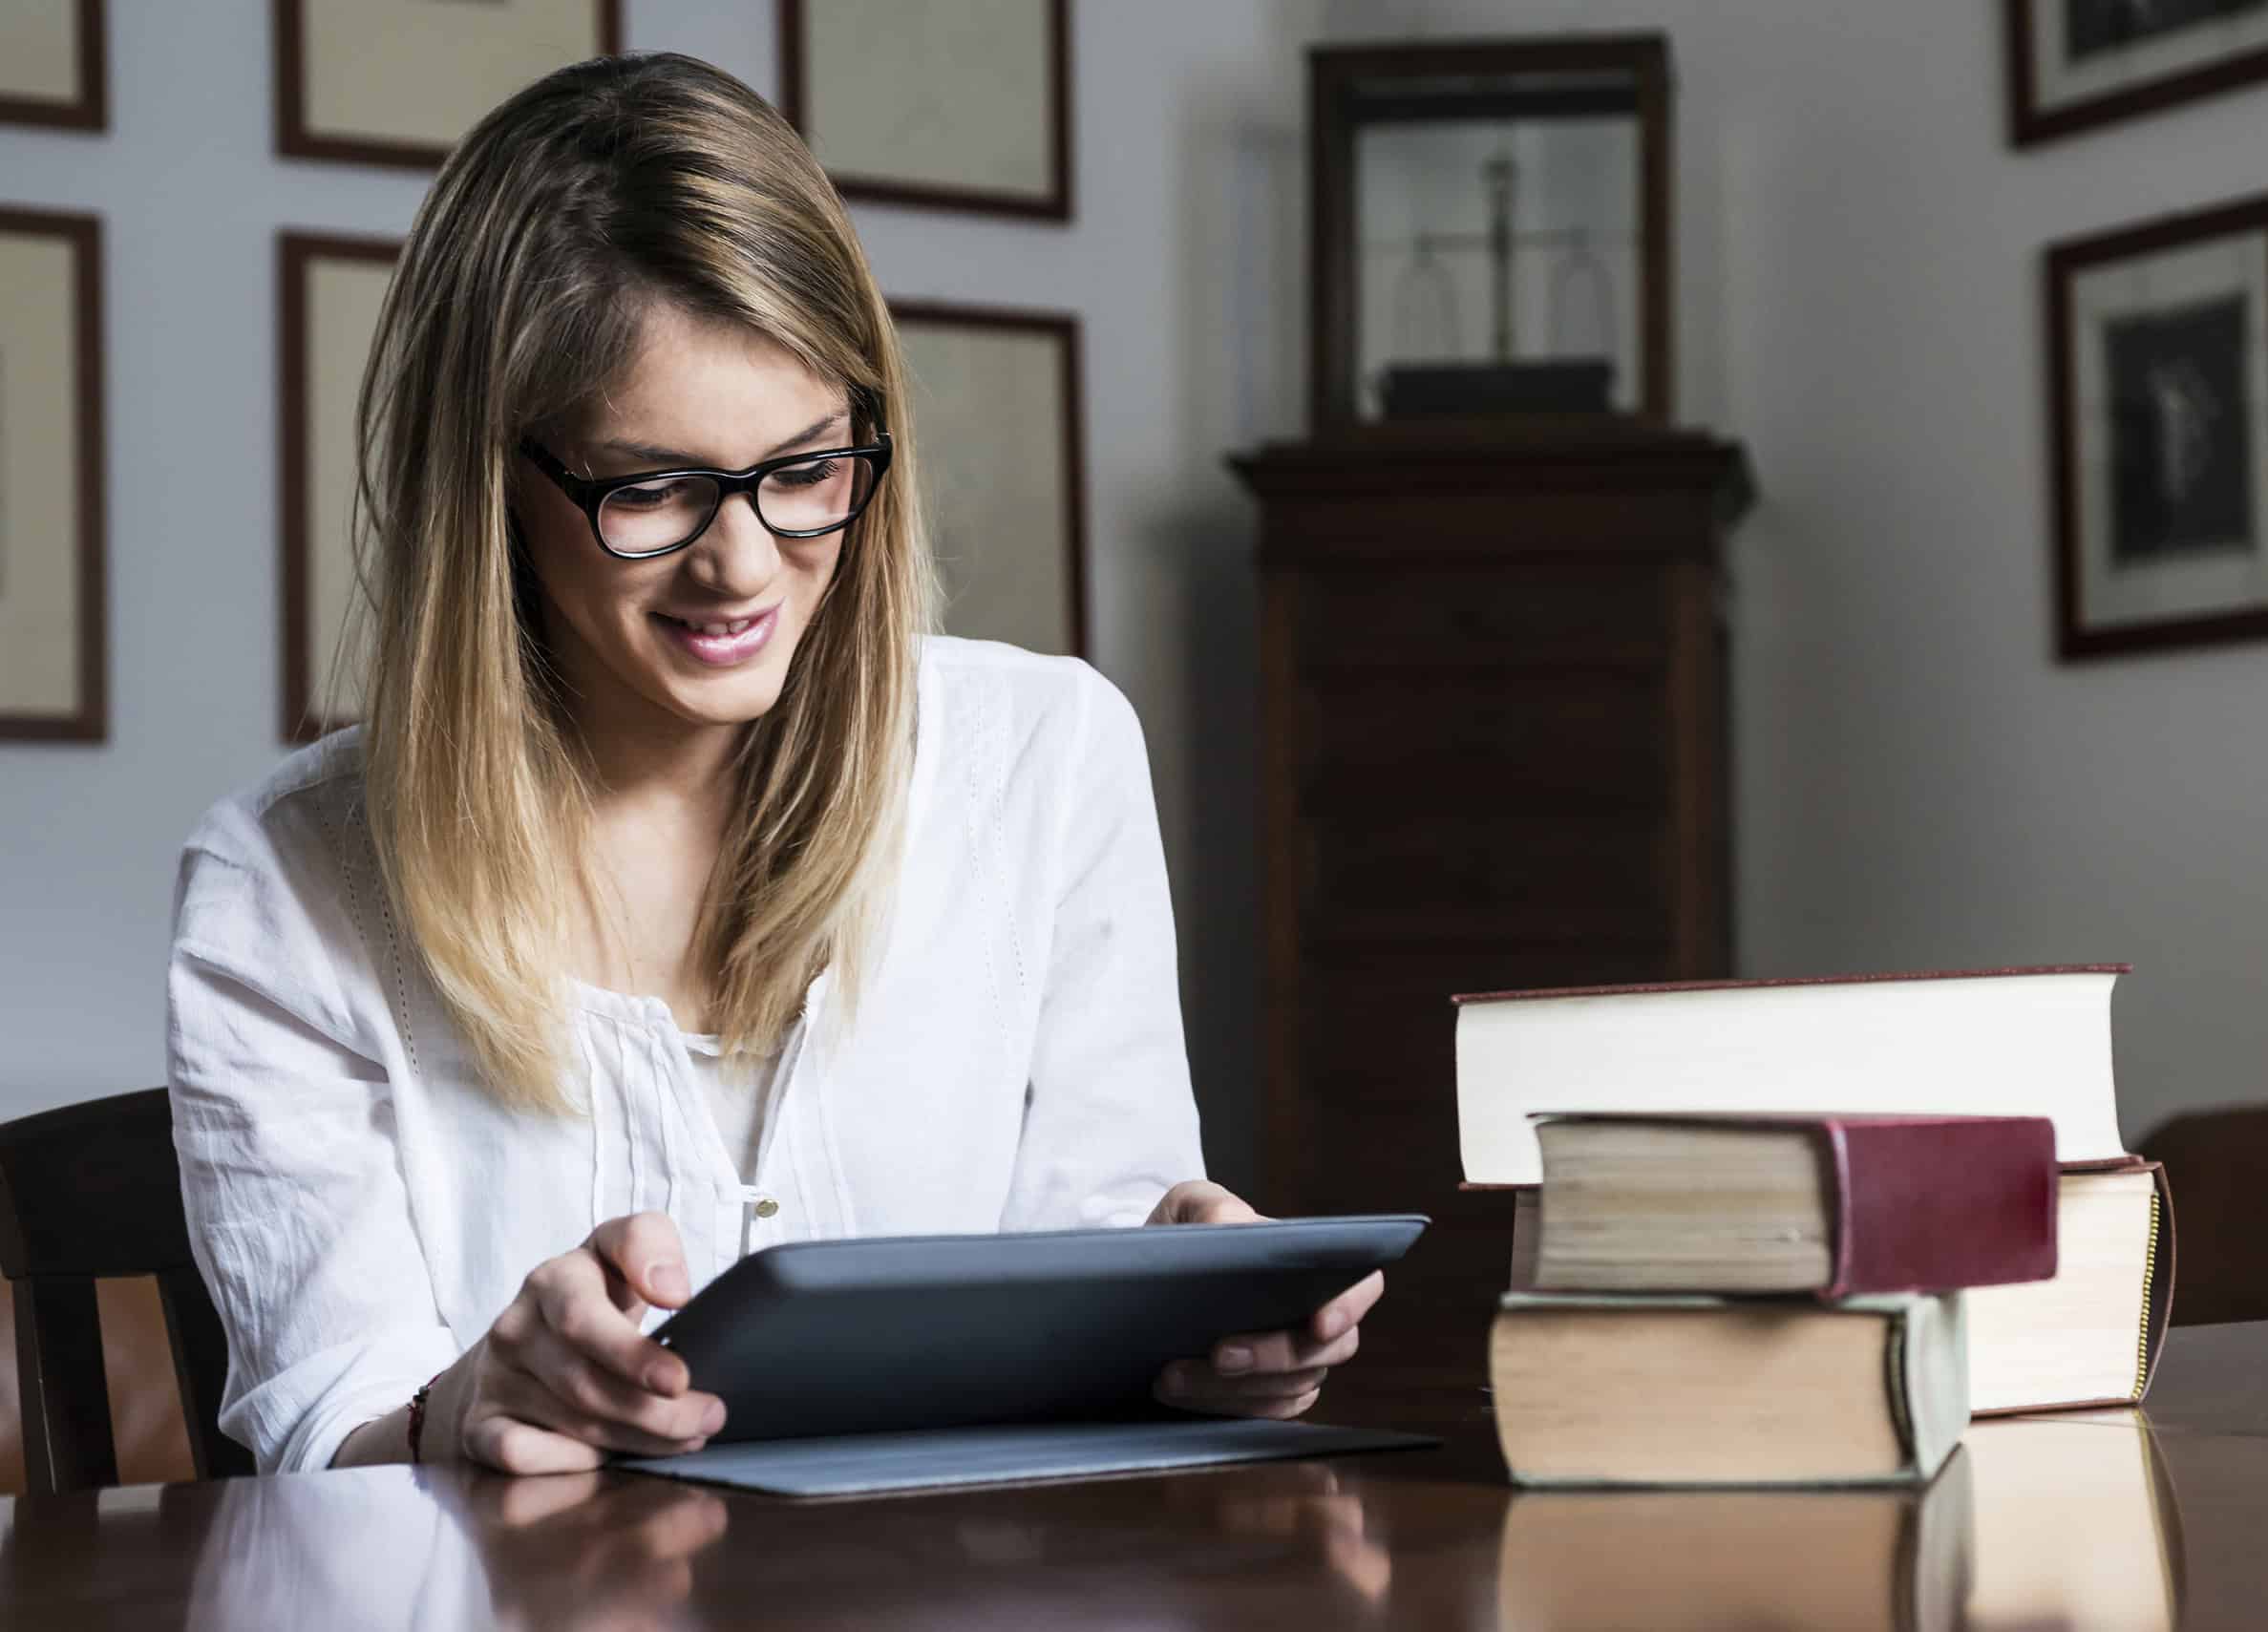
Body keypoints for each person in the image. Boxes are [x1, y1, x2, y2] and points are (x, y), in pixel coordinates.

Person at [166, 52, 1381, 1476]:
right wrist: (462, 1405)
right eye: (652, 486)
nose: (743, 563)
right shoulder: (278, 892)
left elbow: (1110, 1279)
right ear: (493, 484)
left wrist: (1201, 1330)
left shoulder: (1048, 763)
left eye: (806, 467)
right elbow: (324, 1442)